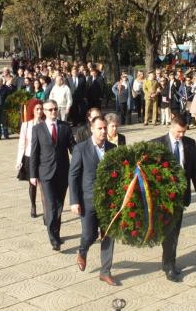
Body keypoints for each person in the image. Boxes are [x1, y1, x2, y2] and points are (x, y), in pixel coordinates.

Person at [153, 115, 196, 282]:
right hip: (163, 197)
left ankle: (168, 261)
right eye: (178, 132)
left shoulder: (190, 144)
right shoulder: (156, 144)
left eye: (184, 132)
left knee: (174, 232)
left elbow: (195, 169)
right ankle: (169, 265)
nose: (181, 135)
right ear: (171, 126)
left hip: (180, 196)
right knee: (168, 231)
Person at [69, 116, 117, 286]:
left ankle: (105, 272)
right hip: (88, 201)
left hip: (109, 203)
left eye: (105, 128)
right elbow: (73, 175)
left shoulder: (113, 148)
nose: (104, 131)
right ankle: (82, 250)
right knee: (89, 234)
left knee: (109, 235)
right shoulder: (81, 149)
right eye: (100, 128)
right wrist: (74, 201)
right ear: (92, 129)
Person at [29, 100, 75, 251]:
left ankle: (57, 232)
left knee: (60, 205)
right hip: (45, 173)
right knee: (51, 206)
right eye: (50, 110)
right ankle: (53, 238)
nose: (53, 112)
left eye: (55, 109)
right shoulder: (38, 129)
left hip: (62, 172)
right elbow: (34, 153)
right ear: (44, 111)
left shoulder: (65, 127)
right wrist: (33, 175)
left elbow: (73, 148)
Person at [16, 99, 44, 218]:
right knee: (32, 183)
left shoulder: (45, 123)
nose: (39, 111)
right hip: (29, 156)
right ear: (32, 110)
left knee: (44, 184)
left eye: (41, 109)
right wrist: (18, 161)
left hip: (43, 157)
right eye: (37, 109)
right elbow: (22, 144)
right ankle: (33, 205)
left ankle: (46, 208)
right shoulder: (26, 125)